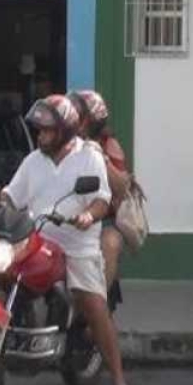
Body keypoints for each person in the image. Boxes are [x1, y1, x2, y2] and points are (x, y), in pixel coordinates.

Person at [0, 95, 138, 385]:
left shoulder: (89, 156)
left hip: (77, 244)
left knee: (93, 303)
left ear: (64, 131)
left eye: (47, 131)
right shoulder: (34, 160)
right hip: (37, 238)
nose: (41, 136)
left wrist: (89, 215)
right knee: (2, 280)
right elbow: (13, 195)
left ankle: (119, 382)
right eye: (40, 130)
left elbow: (102, 200)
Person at [67, 90, 130, 291]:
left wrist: (102, 158)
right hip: (61, 217)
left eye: (77, 116)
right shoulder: (60, 143)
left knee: (110, 245)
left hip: (103, 221)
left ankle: (96, 306)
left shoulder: (108, 145)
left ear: (90, 121)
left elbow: (122, 188)